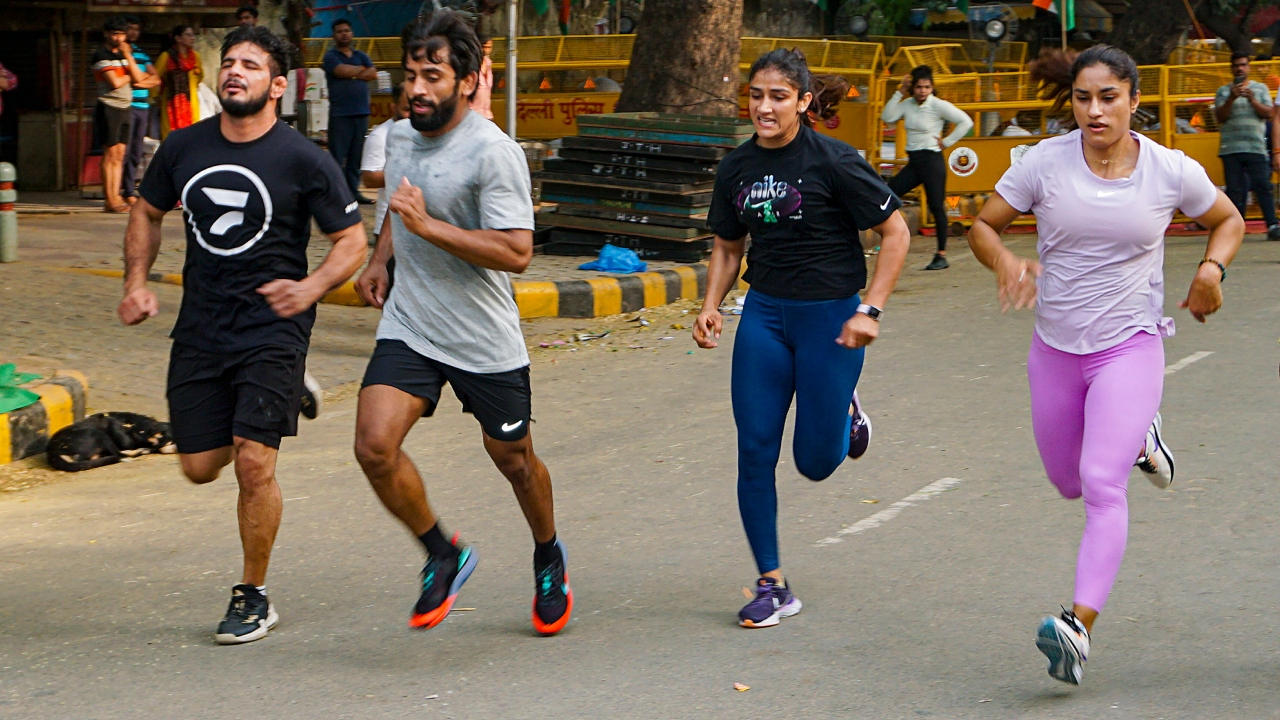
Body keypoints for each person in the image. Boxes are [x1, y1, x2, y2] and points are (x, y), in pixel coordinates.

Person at [967, 45, 1244, 685]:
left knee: (1100, 482)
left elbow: (1226, 219)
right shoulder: (1044, 163)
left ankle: (1077, 627)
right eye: (1082, 98)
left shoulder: (1168, 171)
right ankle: (1141, 437)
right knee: (1067, 480)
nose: (1094, 111)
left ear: (1133, 100)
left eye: (1108, 97)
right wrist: (1006, 262)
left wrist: (1211, 269)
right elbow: (983, 225)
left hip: (1130, 345)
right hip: (1056, 350)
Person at [116, 25, 368, 645]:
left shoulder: (305, 159)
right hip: (201, 327)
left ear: (278, 85)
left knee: (253, 464)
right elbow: (146, 210)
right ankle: (282, 401)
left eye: (251, 66)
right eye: (229, 63)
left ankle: (252, 593)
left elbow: (352, 242)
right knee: (200, 468)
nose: (235, 72)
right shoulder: (183, 148)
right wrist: (135, 282)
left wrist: (309, 289)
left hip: (272, 329)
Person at [351, 11, 572, 636]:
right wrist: (380, 257)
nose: (417, 88)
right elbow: (400, 202)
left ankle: (548, 553)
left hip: (481, 334)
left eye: (433, 75)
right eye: (410, 75)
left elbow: (516, 253)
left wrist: (430, 230)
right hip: (413, 322)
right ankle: (441, 551)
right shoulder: (397, 138)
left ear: (468, 80)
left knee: (514, 458)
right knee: (373, 445)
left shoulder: (494, 153)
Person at [694, 48, 911, 629]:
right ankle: (772, 583)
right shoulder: (736, 166)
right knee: (754, 449)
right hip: (764, 316)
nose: (764, 107)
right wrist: (711, 306)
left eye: (778, 96)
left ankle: (844, 412)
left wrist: (872, 310)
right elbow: (728, 243)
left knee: (815, 463)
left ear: (803, 101)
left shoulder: (834, 161)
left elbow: (895, 232)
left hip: (831, 320)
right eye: (757, 95)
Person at [881, 64, 974, 270]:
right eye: (919, 87)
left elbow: (965, 122)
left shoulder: (938, 105)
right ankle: (892, 240)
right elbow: (887, 117)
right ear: (913, 87)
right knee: (888, 195)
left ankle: (941, 254)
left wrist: (947, 142)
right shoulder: (908, 104)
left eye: (927, 87)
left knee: (936, 207)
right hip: (914, 162)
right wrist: (900, 91)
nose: (923, 91)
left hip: (932, 160)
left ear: (932, 88)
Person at [1214, 51, 1280, 240]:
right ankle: (1236, 227)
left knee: (1262, 186)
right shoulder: (1223, 91)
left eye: (1243, 64)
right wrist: (1231, 99)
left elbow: (1269, 113)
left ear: (1248, 67)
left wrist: (1252, 100)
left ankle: (1273, 225)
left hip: (1255, 146)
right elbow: (1220, 117)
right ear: (1231, 68)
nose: (1240, 68)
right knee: (1235, 189)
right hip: (1230, 148)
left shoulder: (1260, 89)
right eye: (1236, 65)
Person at [92, 16, 152, 213]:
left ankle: (117, 197)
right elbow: (116, 82)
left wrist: (129, 60)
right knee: (110, 154)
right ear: (106, 34)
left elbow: (139, 77)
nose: (119, 38)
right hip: (109, 107)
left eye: (122, 34)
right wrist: (131, 75)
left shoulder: (125, 54)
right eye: (115, 34)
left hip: (126, 107)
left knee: (120, 154)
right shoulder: (101, 55)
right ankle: (109, 199)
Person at [323, 18, 377, 203]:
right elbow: (340, 70)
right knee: (337, 157)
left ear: (352, 33)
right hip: (340, 115)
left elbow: (373, 73)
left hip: (361, 113)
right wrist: (361, 71)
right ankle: (336, 194)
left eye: (347, 30)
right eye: (339, 31)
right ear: (334, 35)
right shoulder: (330, 57)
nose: (344, 34)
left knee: (355, 158)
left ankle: (353, 193)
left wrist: (354, 71)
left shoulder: (361, 55)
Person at [360, 82, 410, 241]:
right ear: (392, 107)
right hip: (389, 231)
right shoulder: (380, 136)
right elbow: (369, 178)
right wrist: (411, 173)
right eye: (407, 110)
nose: (413, 115)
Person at [120, 15, 159, 205]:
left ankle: (129, 189)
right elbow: (135, 79)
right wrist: (143, 79)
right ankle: (122, 190)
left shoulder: (142, 54)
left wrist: (142, 79)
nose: (133, 32)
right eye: (130, 28)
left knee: (136, 151)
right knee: (124, 151)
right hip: (127, 106)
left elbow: (156, 79)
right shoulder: (120, 53)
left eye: (136, 29)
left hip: (144, 107)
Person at [154, 25, 203, 139]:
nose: (192, 38)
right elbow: (154, 76)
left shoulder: (195, 57)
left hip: (191, 102)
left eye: (193, 35)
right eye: (188, 35)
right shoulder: (166, 57)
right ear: (178, 38)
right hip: (171, 103)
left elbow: (200, 75)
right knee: (170, 137)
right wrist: (155, 97)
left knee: (191, 135)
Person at [469, 37, 494, 120]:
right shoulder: (471, 64)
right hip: (471, 114)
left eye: (489, 47)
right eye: (484, 47)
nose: (486, 50)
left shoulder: (488, 64)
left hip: (487, 114)